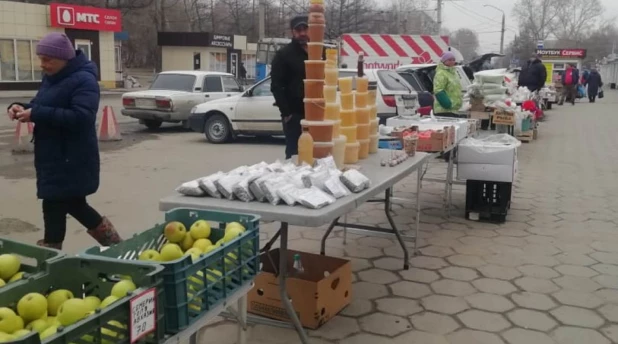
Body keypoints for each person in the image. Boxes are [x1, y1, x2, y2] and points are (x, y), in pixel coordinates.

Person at [5, 33, 122, 250]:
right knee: (68, 205)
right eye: (41, 59)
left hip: (72, 159)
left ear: (64, 58)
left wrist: (37, 113)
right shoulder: (54, 77)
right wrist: (20, 106)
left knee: (58, 204)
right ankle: (114, 245)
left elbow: (81, 117)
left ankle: (51, 256)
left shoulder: (84, 80)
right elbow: (41, 104)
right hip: (54, 157)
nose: (43, 65)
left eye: (48, 60)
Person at [271, 15, 308, 160]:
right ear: (293, 32)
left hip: (317, 114)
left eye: (305, 28)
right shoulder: (284, 55)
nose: (302, 33)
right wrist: (287, 113)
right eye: (298, 30)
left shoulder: (319, 52)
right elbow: (276, 86)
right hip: (295, 114)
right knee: (295, 154)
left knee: (318, 154)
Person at [433, 51, 463, 117]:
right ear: (444, 61)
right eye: (449, 60)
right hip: (444, 110)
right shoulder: (441, 73)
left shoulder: (453, 73)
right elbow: (438, 90)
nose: (452, 61)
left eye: (453, 60)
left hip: (454, 109)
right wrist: (447, 104)